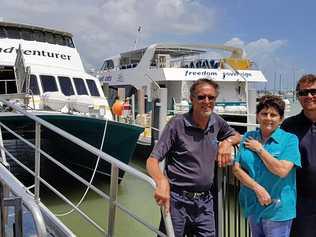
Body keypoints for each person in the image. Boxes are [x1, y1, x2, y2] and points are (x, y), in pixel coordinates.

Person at [146, 79, 241, 236]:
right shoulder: (177, 124)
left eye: (211, 98)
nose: (206, 101)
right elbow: (152, 160)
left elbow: (237, 136)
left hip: (205, 202)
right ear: (191, 99)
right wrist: (161, 181)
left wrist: (227, 142)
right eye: (201, 97)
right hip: (177, 200)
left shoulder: (216, 121)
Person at [232, 95, 301, 237]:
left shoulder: (290, 140)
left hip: (277, 209)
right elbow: (236, 169)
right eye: (264, 113)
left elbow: (282, 170)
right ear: (257, 116)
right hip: (253, 205)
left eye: (273, 115)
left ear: (281, 119)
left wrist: (260, 149)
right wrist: (257, 188)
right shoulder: (248, 137)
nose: (268, 118)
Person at [280, 74, 316, 237]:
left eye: (313, 91)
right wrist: (229, 140)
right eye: (303, 93)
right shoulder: (289, 125)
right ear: (298, 96)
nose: (309, 96)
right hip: (301, 201)